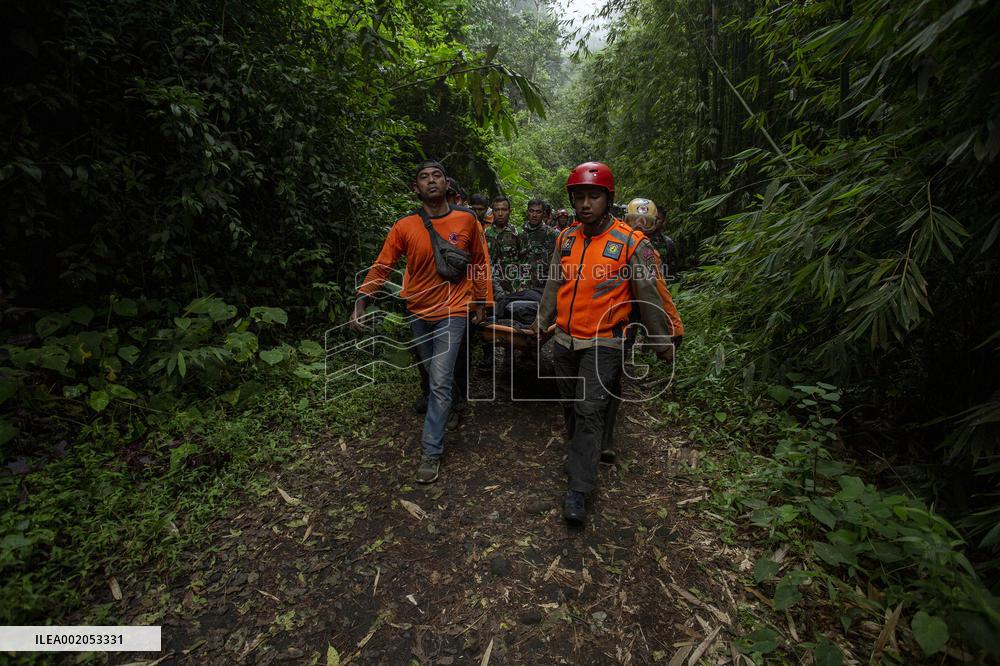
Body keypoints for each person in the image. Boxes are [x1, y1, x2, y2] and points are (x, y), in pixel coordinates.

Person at [531, 161, 684, 526]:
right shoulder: (565, 238)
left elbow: (649, 294)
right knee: (570, 405)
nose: (585, 204)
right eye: (579, 197)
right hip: (565, 339)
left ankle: (579, 489)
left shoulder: (633, 242)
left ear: (608, 199)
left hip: (605, 341)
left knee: (588, 409)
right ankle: (582, 450)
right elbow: (554, 285)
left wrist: (662, 341)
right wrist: (541, 323)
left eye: (593, 197)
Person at [350, 161, 493, 484]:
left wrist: (483, 302)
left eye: (437, 176)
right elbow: (383, 265)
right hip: (417, 311)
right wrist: (362, 301)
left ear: (447, 185)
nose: (431, 181)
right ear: (416, 189)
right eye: (424, 178)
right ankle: (455, 403)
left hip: (453, 311)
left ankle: (431, 451)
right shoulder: (404, 226)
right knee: (433, 376)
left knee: (439, 380)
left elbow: (480, 263)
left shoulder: (468, 220)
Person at [627, 199, 677, 274]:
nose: (641, 224)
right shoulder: (626, 238)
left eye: (648, 221)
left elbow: (672, 268)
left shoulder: (667, 242)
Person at [520, 199, 560, 291]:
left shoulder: (552, 234)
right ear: (527, 212)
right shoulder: (519, 233)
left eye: (538, 212)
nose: (534, 215)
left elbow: (556, 263)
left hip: (543, 287)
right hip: (522, 286)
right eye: (531, 211)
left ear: (543, 214)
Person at [484, 195, 521, 295]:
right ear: (493, 212)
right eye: (497, 210)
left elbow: (524, 260)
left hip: (513, 288)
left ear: (510, 211)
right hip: (491, 288)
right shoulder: (485, 234)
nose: (500, 214)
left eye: (504, 210)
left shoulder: (517, 233)